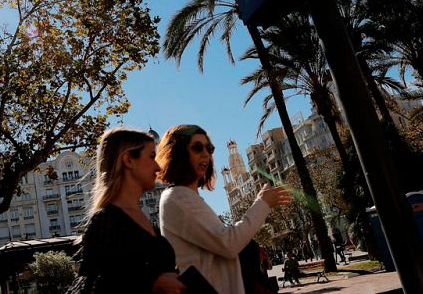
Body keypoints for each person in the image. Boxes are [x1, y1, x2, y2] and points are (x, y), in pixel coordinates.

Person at [156, 125, 292, 294]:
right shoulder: (177, 197)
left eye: (209, 148)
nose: (206, 153)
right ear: (177, 153)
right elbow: (228, 243)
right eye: (197, 147)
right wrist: (262, 203)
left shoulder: (186, 197)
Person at [68, 128, 186, 294]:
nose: (158, 167)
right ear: (128, 160)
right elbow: (92, 284)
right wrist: (152, 282)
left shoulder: (144, 220)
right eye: (152, 156)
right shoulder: (106, 221)